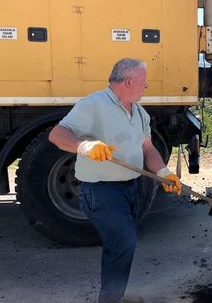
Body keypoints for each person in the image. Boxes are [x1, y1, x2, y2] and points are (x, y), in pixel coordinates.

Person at [48, 58, 181, 303]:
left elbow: (148, 149)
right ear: (129, 81)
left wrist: (163, 172)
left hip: (131, 188)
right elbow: (57, 134)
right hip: (101, 191)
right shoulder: (94, 104)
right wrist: (84, 145)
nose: (146, 87)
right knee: (123, 242)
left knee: (122, 244)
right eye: (143, 82)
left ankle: (114, 297)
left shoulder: (139, 112)